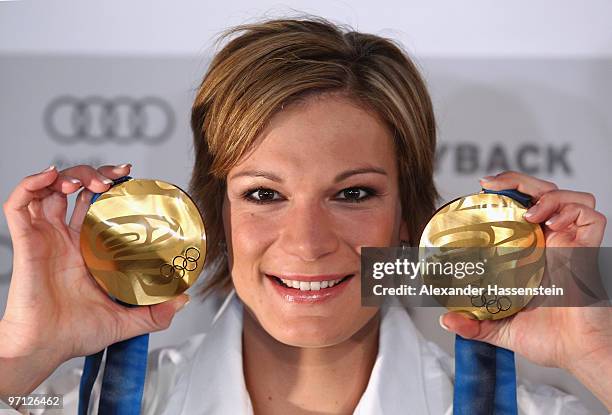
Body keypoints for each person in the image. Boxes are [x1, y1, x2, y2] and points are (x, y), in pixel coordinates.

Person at [1, 16, 610, 415]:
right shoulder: (58, 405)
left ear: (409, 216)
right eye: (264, 195)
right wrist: (22, 357)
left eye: (353, 195)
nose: (308, 243)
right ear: (217, 213)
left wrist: (595, 355)